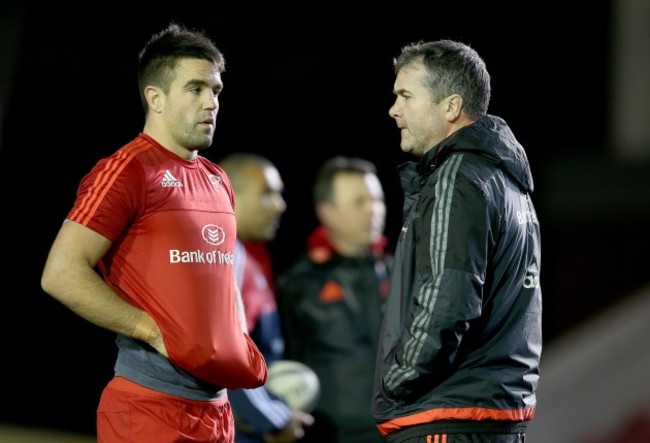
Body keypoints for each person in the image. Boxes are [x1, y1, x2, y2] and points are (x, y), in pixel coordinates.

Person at [40, 23, 267, 443]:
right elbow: (60, 273)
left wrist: (236, 340)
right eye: (195, 89)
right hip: (149, 405)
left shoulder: (218, 179)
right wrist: (150, 331)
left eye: (215, 90)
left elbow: (225, 282)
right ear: (155, 98)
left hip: (217, 409)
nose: (211, 102)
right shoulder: (127, 169)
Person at [371, 39, 543, 443]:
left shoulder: (458, 177)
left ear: (450, 107)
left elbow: (449, 298)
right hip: (493, 413)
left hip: (447, 416)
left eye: (406, 96)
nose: (394, 110)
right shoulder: (508, 183)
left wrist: (397, 379)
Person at [276, 156, 391, 443]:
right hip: (332, 436)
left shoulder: (403, 272)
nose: (373, 210)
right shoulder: (297, 285)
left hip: (401, 433)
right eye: (359, 201)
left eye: (377, 199)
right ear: (327, 212)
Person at [218, 153, 314, 443]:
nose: (280, 205)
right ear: (231, 195)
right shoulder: (226, 252)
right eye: (267, 193)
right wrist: (275, 418)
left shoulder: (250, 255)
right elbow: (227, 352)